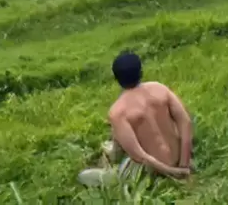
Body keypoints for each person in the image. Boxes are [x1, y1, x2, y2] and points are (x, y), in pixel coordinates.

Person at [78, 51, 194, 188]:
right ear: (141, 72)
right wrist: (184, 164)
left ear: (116, 79)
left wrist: (174, 173)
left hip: (151, 173)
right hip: (178, 159)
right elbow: (185, 122)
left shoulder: (118, 111)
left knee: (83, 176)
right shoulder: (160, 89)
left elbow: (139, 156)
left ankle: (111, 162)